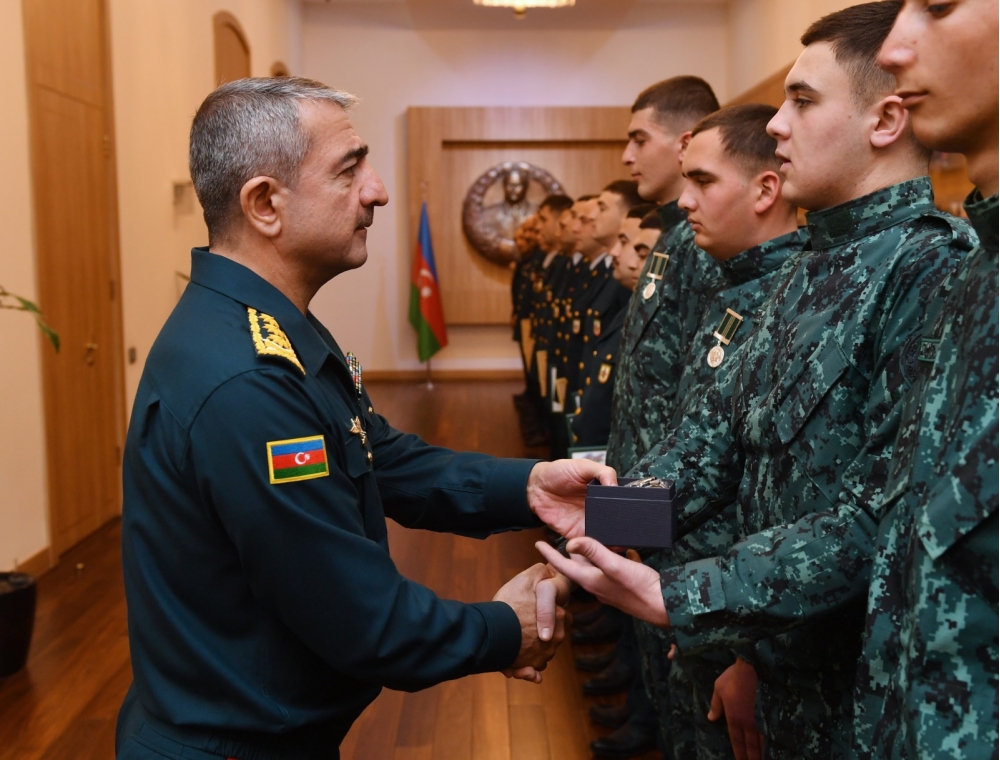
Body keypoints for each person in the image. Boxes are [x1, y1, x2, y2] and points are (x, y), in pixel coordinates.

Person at [114, 77, 614, 760]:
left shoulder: (265, 330)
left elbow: (381, 457)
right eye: (349, 170)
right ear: (265, 204)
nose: (376, 191)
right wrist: (507, 628)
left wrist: (529, 487)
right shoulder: (247, 379)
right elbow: (357, 617)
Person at [539, 3, 976, 758]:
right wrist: (607, 517)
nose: (776, 126)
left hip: (857, 699)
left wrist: (683, 597)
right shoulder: (804, 268)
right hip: (777, 670)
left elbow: (875, 518)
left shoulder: (930, 268)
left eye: (802, 101)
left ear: (884, 121)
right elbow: (712, 449)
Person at [852, 1, 998, 756]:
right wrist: (616, 520)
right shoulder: (977, 271)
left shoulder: (928, 262)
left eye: (937, 4)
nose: (894, 50)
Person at [646, 102, 807, 760]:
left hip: (737, 607)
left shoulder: (793, 296)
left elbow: (784, 499)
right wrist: (601, 523)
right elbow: (700, 452)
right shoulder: (733, 285)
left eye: (703, 181)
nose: (685, 201)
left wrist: (747, 651)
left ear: (766, 189)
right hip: (695, 593)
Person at [610, 75, 721, 757]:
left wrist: (632, 518)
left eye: (638, 139)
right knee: (661, 690)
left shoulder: (701, 246)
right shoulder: (674, 238)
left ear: (683, 142)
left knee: (688, 710)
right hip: (650, 506)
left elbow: (699, 415)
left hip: (678, 520)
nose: (627, 157)